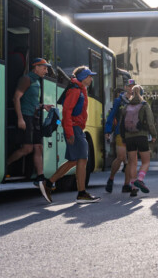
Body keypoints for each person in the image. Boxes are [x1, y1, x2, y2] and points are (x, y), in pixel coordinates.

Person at [39, 67, 99, 203]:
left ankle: (49, 183)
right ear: (83, 77)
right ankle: (81, 193)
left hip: (76, 128)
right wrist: (69, 132)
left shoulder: (80, 89)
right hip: (74, 128)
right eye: (89, 76)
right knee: (82, 159)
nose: (91, 78)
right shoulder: (75, 90)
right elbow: (66, 112)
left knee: (74, 160)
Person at [6, 57, 53, 185]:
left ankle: (40, 177)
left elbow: (32, 102)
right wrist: (20, 118)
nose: (46, 71)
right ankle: (6, 164)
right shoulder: (26, 79)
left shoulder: (36, 81)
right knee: (27, 148)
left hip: (34, 118)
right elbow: (16, 98)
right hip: (26, 117)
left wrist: (43, 106)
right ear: (36, 67)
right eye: (44, 68)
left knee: (38, 147)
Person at [119, 85, 158, 196]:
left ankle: (133, 187)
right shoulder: (144, 105)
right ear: (142, 93)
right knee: (146, 161)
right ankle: (140, 180)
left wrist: (123, 137)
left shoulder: (126, 106)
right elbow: (150, 122)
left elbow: (121, 124)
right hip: (141, 136)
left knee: (132, 163)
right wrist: (154, 135)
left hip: (129, 137)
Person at [103, 80, 135, 193]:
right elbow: (111, 116)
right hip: (120, 132)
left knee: (130, 159)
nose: (131, 88)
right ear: (125, 87)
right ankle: (111, 179)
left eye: (133, 86)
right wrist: (107, 130)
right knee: (121, 157)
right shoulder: (119, 100)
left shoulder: (137, 100)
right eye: (129, 86)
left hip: (133, 133)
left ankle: (126, 184)